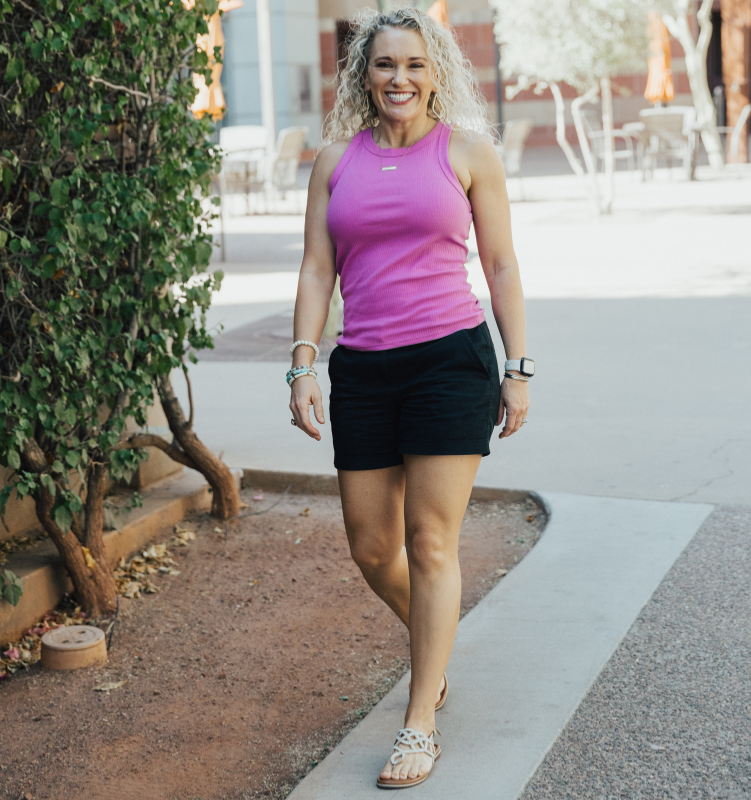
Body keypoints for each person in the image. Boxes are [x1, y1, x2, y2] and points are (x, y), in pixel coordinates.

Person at [287, 7, 532, 790]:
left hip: (449, 362)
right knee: (370, 546)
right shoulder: (334, 161)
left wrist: (518, 365)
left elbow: (499, 264)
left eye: (415, 65)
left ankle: (418, 721)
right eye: (385, 64)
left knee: (431, 544)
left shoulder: (466, 153)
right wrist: (302, 365)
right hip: (363, 366)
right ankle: (436, 652)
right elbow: (316, 271)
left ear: (437, 73)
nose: (400, 78)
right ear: (364, 73)